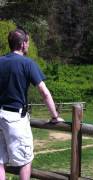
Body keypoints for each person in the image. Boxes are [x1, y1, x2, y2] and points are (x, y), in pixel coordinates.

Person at [0, 28, 64, 180]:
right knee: (25, 161)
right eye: (27, 42)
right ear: (22, 44)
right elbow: (44, 92)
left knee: (0, 161)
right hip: (15, 118)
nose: (28, 45)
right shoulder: (27, 63)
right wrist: (54, 115)